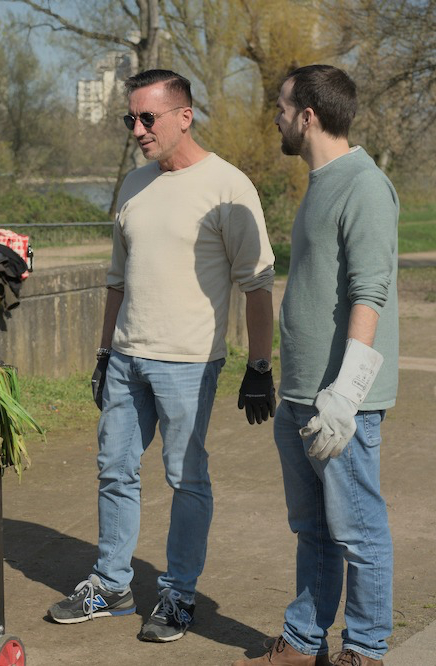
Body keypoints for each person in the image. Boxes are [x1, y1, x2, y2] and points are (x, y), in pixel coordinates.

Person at [47, 69, 277, 644]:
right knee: (114, 470)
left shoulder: (228, 186)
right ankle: (112, 584)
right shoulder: (134, 184)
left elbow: (257, 284)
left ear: (184, 116)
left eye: (147, 118)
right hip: (126, 359)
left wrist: (259, 366)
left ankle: (178, 594)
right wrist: (105, 352)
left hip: (190, 363)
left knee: (185, 477)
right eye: (130, 118)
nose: (138, 129)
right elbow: (117, 280)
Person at [232, 65, 398, 666]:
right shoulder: (321, 182)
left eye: (281, 107)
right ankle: (305, 642)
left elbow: (369, 293)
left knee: (358, 530)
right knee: (314, 529)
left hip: (341, 403)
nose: (274, 118)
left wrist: (346, 396)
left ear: (308, 116)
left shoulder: (364, 185)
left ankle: (365, 648)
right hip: (302, 394)